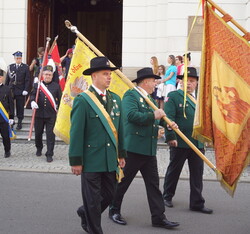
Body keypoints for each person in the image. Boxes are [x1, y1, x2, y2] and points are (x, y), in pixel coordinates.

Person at [109, 67, 179, 230]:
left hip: (148, 149)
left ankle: (158, 217)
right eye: (154, 81)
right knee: (123, 182)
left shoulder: (150, 99)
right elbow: (131, 116)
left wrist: (168, 124)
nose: (156, 84)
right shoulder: (131, 95)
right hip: (133, 148)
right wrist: (154, 116)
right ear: (145, 82)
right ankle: (114, 210)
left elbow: (157, 118)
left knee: (153, 185)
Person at [69, 56, 126, 234]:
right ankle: (95, 229)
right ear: (94, 76)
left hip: (110, 159)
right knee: (93, 200)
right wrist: (76, 160)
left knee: (109, 195)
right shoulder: (83, 100)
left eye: (110, 74)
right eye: (105, 74)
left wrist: (121, 154)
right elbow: (76, 133)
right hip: (91, 160)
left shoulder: (116, 99)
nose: (109, 77)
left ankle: (84, 212)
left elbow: (120, 130)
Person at [163, 67, 213, 214]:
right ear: (180, 81)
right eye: (186, 81)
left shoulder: (199, 99)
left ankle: (197, 202)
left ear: (197, 83)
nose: (189, 84)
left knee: (197, 173)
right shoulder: (174, 96)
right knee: (174, 170)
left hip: (197, 143)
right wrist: (170, 137)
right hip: (180, 141)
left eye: (192, 81)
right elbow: (168, 118)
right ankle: (167, 195)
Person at [30, 65, 62, 162]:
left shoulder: (56, 86)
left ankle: (49, 154)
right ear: (42, 75)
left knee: (50, 135)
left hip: (51, 115)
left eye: (49, 74)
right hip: (39, 114)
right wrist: (32, 101)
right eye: (46, 74)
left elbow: (60, 100)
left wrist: (60, 112)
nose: (47, 76)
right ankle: (39, 148)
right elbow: (32, 95)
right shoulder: (38, 85)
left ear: (52, 76)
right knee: (38, 134)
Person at [5, 51, 30, 130]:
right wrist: (5, 89)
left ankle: (19, 121)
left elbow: (27, 79)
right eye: (17, 58)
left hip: (20, 88)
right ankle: (11, 121)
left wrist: (26, 89)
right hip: (11, 89)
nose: (18, 60)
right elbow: (7, 79)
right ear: (14, 58)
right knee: (10, 106)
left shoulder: (25, 67)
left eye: (19, 58)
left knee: (20, 106)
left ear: (21, 58)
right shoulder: (10, 67)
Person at [0, 69, 14, 158]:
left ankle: (7, 151)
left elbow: (11, 104)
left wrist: (11, 117)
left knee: (5, 136)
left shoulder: (7, 89)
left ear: (2, 78)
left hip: (3, 118)